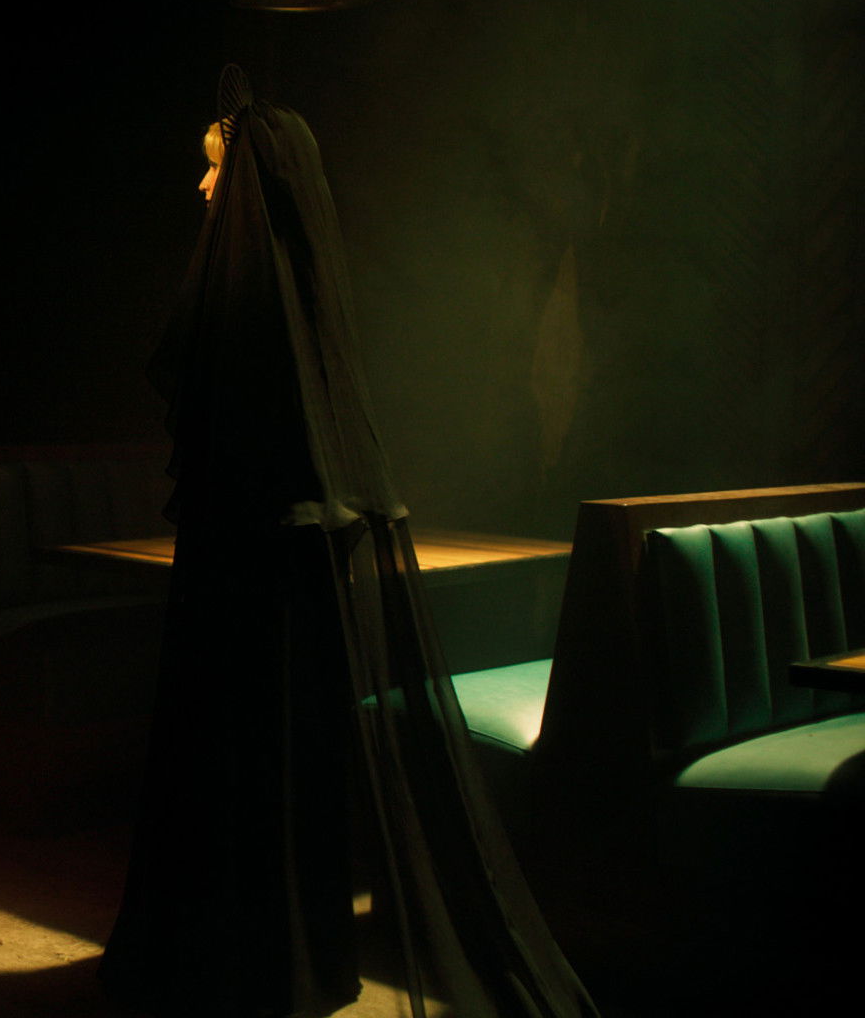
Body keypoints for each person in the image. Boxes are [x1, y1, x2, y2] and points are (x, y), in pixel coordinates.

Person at [99, 66, 598, 1018]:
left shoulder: (248, 303)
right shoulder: (284, 301)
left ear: (253, 183)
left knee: (259, 754)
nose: (202, 186)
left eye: (217, 168)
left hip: (256, 577)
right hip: (276, 567)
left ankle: (251, 956)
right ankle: (293, 952)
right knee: (277, 758)